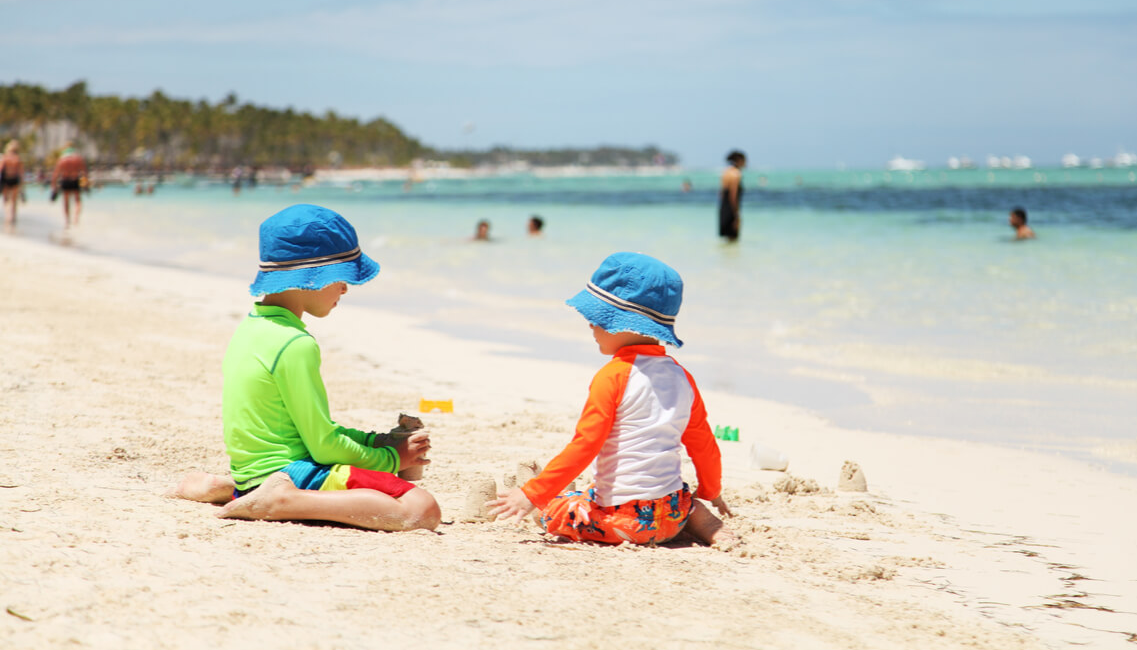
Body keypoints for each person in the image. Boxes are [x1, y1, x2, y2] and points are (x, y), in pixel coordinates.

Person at [171, 204, 440, 531]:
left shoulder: (251, 329)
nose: (345, 287)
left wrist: (378, 441)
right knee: (422, 508)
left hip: (253, 471)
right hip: (294, 473)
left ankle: (236, 489)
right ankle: (282, 501)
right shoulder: (296, 344)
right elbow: (323, 446)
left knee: (377, 478)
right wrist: (393, 459)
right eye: (341, 276)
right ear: (311, 277)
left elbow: (305, 429)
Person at [488, 251, 735, 547]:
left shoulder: (613, 376)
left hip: (625, 524)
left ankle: (550, 502)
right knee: (680, 497)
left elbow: (585, 446)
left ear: (626, 324)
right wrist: (711, 489)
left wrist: (531, 495)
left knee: (554, 508)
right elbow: (703, 442)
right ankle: (699, 516)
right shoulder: (683, 377)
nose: (590, 326)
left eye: (597, 318)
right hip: (672, 514)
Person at [51, 144, 87, 226]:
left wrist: (54, 187)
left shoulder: (62, 160)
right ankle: (76, 219)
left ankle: (67, 221)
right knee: (78, 201)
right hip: (75, 180)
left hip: (65, 180)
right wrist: (84, 184)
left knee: (66, 202)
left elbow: (55, 175)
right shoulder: (78, 159)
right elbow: (84, 173)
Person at [719, 150, 746, 241]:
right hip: (731, 208)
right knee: (733, 238)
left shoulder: (726, 172)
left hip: (723, 208)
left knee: (727, 239)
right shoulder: (736, 174)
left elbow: (722, 193)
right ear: (739, 161)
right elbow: (733, 195)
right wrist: (736, 214)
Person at [1, 139, 24, 226]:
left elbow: (1, 170)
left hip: (6, 179)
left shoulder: (5, 157)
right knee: (14, 200)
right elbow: (21, 173)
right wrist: (22, 186)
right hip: (15, 179)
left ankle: (8, 216)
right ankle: (13, 217)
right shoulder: (18, 158)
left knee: (6, 200)